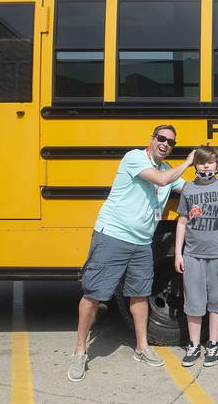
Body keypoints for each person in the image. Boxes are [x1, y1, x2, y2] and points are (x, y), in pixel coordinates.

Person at [68, 125, 194, 382]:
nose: (165, 144)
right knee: (94, 294)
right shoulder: (134, 157)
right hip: (113, 236)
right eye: (161, 139)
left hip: (142, 242)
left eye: (170, 142)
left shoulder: (165, 170)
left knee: (140, 294)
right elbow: (162, 181)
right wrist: (189, 161)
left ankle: (142, 347)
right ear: (152, 139)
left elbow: (188, 188)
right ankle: (80, 351)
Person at [174, 146, 218, 368]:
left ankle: (212, 343)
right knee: (193, 301)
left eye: (210, 162)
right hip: (193, 254)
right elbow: (182, 221)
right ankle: (193, 344)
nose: (206, 166)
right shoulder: (188, 189)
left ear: (217, 164)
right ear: (195, 164)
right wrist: (178, 253)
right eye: (202, 162)